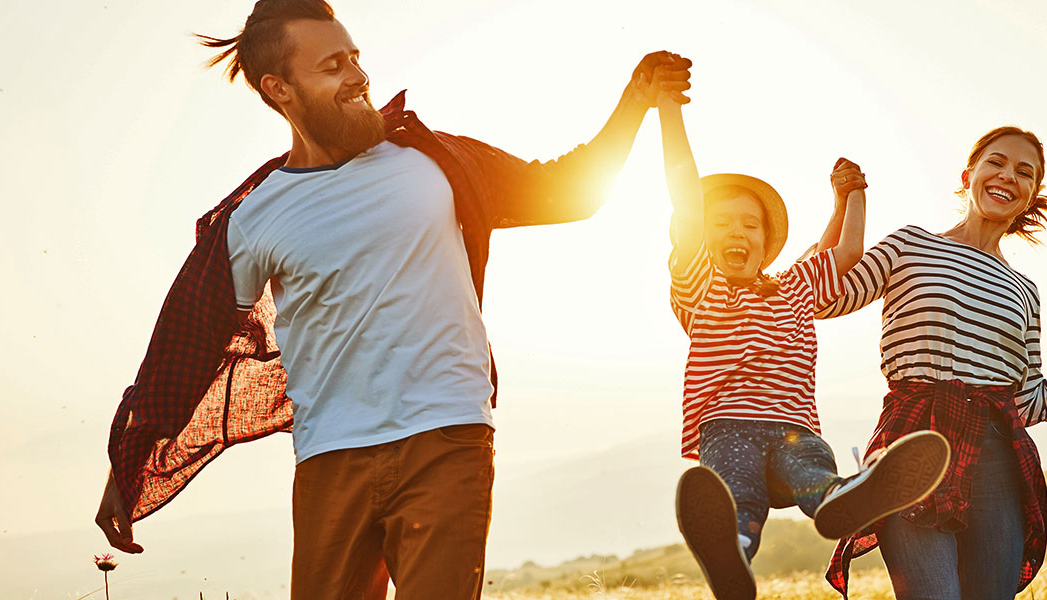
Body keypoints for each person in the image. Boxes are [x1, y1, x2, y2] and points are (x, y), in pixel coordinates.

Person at [91, 1, 692, 598]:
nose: (357, 76)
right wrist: (129, 462)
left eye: (354, 57)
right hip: (330, 456)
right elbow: (186, 345)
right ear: (281, 89)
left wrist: (634, 99)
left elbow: (569, 191)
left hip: (446, 435)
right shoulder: (253, 218)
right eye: (332, 66)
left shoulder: (432, 160)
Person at [818, 126, 1047, 599]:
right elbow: (825, 294)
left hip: (997, 457)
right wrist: (845, 203)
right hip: (914, 443)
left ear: (1031, 194)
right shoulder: (910, 246)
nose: (1006, 177)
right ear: (968, 175)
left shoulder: (1023, 291)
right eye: (995, 163)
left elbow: (1031, 402)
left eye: (1024, 172)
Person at [655, 98, 950, 600]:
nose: (737, 231)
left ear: (766, 241)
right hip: (729, 427)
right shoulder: (700, 285)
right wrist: (668, 113)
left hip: (795, 429)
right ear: (698, 240)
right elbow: (684, 198)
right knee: (737, 496)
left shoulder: (795, 286)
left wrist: (853, 195)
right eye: (721, 224)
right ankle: (733, 555)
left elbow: (847, 252)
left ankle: (844, 497)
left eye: (750, 225)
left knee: (813, 472)